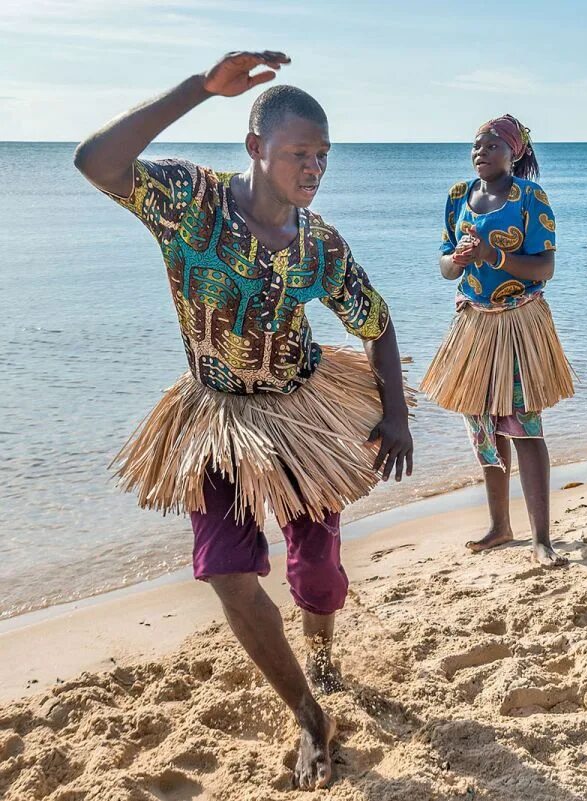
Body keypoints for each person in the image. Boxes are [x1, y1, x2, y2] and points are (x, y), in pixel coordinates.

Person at [73, 52, 416, 790]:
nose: (314, 167)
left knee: (317, 572)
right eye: (299, 152)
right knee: (228, 571)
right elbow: (94, 161)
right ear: (256, 146)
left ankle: (321, 643)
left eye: (322, 156)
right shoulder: (189, 202)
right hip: (213, 415)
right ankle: (307, 710)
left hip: (301, 413)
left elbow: (377, 323)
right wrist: (200, 88)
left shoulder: (319, 245)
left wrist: (396, 415)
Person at [422, 115, 574, 567]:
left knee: (525, 427)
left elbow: (544, 268)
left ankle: (541, 538)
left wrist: (494, 255)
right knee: (483, 426)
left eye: (492, 145)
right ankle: (499, 526)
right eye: (476, 145)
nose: (481, 152)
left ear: (515, 152)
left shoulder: (530, 198)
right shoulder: (457, 197)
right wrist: (459, 258)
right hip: (474, 323)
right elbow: (446, 267)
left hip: (519, 322)